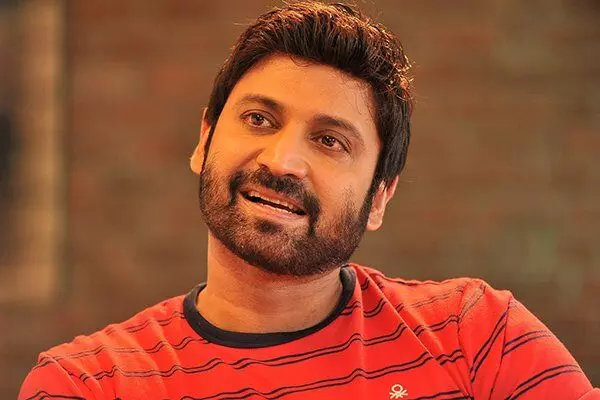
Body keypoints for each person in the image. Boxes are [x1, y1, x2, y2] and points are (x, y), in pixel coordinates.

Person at [19, 2, 599, 399]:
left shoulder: (478, 339)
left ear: (379, 197)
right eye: (258, 119)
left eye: (329, 141)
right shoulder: (90, 383)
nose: (282, 161)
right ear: (204, 141)